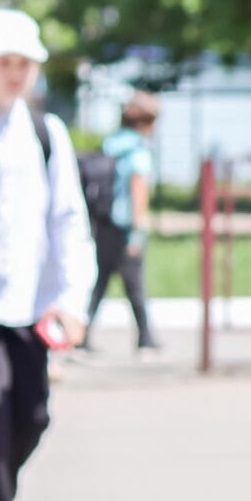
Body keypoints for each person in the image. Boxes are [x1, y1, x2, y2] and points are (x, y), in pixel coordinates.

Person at [0, 9, 95, 501]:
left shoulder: (48, 135)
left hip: (32, 309)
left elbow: (69, 221)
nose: (15, 75)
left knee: (32, 416)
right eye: (3, 63)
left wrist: (72, 299)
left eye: (25, 64)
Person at [84, 91, 161, 354]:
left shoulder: (112, 144)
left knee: (101, 280)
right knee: (134, 283)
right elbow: (138, 191)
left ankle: (83, 334)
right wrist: (138, 234)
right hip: (124, 226)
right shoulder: (138, 151)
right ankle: (146, 337)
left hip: (103, 222)